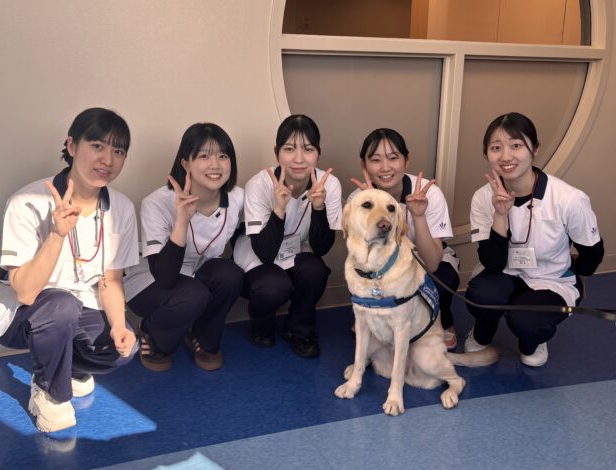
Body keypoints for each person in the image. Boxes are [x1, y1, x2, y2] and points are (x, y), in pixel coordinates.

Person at [0, 107, 139, 433]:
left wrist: (120, 325)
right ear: (72, 145)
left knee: (122, 349)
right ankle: (51, 392)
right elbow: (24, 291)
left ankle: (69, 366)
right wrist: (56, 234)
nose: (108, 159)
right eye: (98, 145)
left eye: (118, 151)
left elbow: (111, 279)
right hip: (17, 308)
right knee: (59, 305)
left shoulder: (120, 207)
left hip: (78, 307)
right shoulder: (28, 201)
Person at [464, 112, 604, 367]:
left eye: (516, 145)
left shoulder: (568, 198)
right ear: (487, 154)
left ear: (535, 149)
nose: (506, 156)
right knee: (481, 296)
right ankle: (483, 329)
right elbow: (493, 263)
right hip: (503, 271)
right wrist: (500, 215)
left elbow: (593, 253)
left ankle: (533, 339)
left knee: (529, 323)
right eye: (496, 148)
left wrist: (578, 274)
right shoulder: (482, 197)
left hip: (549, 278)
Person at [124, 123, 244, 372]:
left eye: (223, 155)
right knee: (193, 294)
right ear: (185, 164)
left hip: (196, 276)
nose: (215, 164)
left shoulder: (238, 198)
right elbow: (165, 277)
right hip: (151, 280)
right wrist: (181, 221)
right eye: (204, 156)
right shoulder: (157, 203)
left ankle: (203, 338)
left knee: (230, 273)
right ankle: (153, 336)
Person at [234, 114, 342, 358]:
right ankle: (262, 323)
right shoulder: (259, 184)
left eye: (308, 149)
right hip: (258, 253)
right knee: (273, 285)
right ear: (277, 152)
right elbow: (265, 251)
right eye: (289, 149)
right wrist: (279, 209)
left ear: (318, 153)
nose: (299, 159)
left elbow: (322, 247)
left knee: (315, 270)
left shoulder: (329, 184)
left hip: (297, 251)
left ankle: (299, 330)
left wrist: (318, 208)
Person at [349, 128, 461, 350]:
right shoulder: (358, 199)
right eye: (375, 160)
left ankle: (443, 322)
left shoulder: (430, 193)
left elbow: (432, 264)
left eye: (393, 158)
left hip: (426, 261)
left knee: (443, 280)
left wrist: (418, 215)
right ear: (364, 166)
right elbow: (362, 262)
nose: (385, 168)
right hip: (382, 266)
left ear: (406, 160)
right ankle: (377, 324)